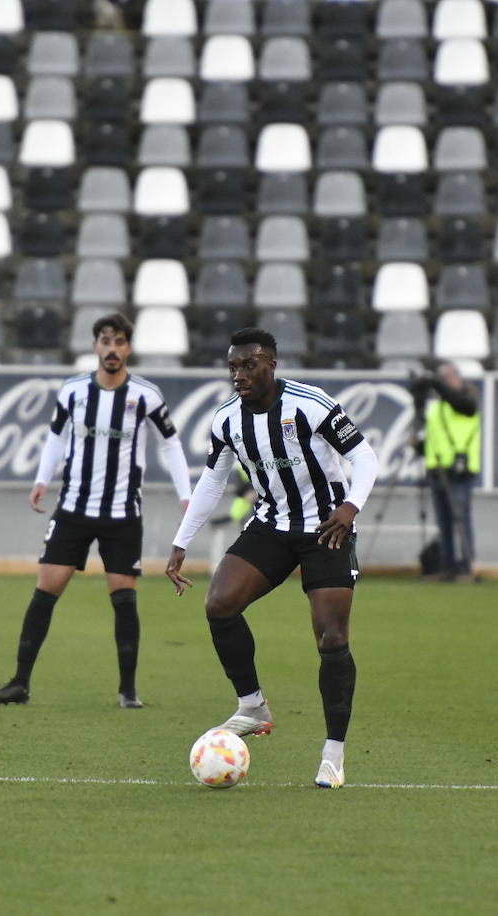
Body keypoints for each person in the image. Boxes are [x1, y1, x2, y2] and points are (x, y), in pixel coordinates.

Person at [166, 328, 379, 789]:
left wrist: (349, 508)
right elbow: (212, 482)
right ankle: (252, 706)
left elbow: (365, 459)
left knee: (330, 639)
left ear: (271, 365)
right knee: (219, 604)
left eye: (249, 365)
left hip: (327, 528)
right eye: (233, 367)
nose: (239, 375)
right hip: (272, 525)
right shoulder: (226, 420)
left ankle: (333, 755)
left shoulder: (310, 404)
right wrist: (182, 541)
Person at [0, 312, 191, 708]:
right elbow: (56, 436)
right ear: (95, 346)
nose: (112, 349)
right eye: (105, 341)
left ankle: (128, 690)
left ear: (128, 348)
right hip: (74, 508)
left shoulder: (146, 395)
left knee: (124, 597)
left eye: (119, 342)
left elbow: (171, 444)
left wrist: (186, 494)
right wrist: (41, 479)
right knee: (46, 589)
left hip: (122, 513)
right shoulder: (73, 392)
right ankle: (20, 682)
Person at [413, 361, 481, 581]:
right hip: (437, 468)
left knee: (460, 518)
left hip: (460, 470)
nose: (446, 381)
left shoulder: (466, 401)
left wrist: (436, 383)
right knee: (443, 522)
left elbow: (461, 404)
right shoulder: (437, 406)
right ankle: (447, 565)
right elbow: (433, 436)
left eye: (449, 376)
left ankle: (466, 564)